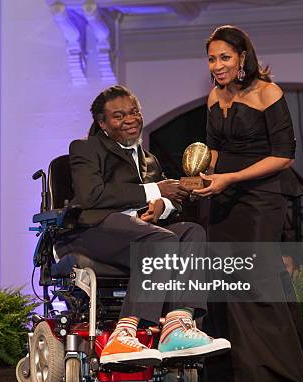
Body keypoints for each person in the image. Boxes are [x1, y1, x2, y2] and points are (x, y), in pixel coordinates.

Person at [55, 85, 230, 365]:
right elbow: (91, 196)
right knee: (161, 241)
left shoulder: (149, 159)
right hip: (91, 231)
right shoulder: (85, 148)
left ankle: (176, 325)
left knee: (191, 233)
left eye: (134, 111)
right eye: (118, 115)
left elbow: (170, 199)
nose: (130, 119)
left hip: (137, 233)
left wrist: (163, 205)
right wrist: (154, 190)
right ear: (102, 123)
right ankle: (122, 334)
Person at [193, 26, 303, 382]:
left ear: (242, 57)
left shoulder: (268, 92)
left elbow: (284, 156)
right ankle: (229, 371)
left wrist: (231, 178)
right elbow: (214, 147)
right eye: (212, 58)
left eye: (224, 57)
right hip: (222, 196)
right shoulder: (213, 96)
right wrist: (207, 175)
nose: (217, 65)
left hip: (261, 197)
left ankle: (269, 371)